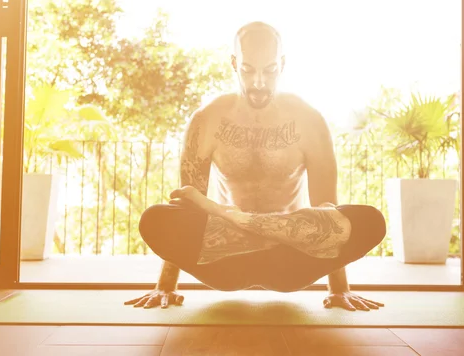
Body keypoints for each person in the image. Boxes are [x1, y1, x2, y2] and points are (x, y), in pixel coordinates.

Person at [124, 21, 386, 311]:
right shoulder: (207, 119)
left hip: (290, 259)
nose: (259, 82)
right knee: (156, 218)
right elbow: (187, 205)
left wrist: (340, 290)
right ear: (234, 64)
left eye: (269, 71)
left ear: (282, 65)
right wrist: (165, 287)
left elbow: (327, 210)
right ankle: (236, 221)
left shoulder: (309, 120)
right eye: (248, 70)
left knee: (368, 220)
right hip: (225, 259)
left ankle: (238, 219)